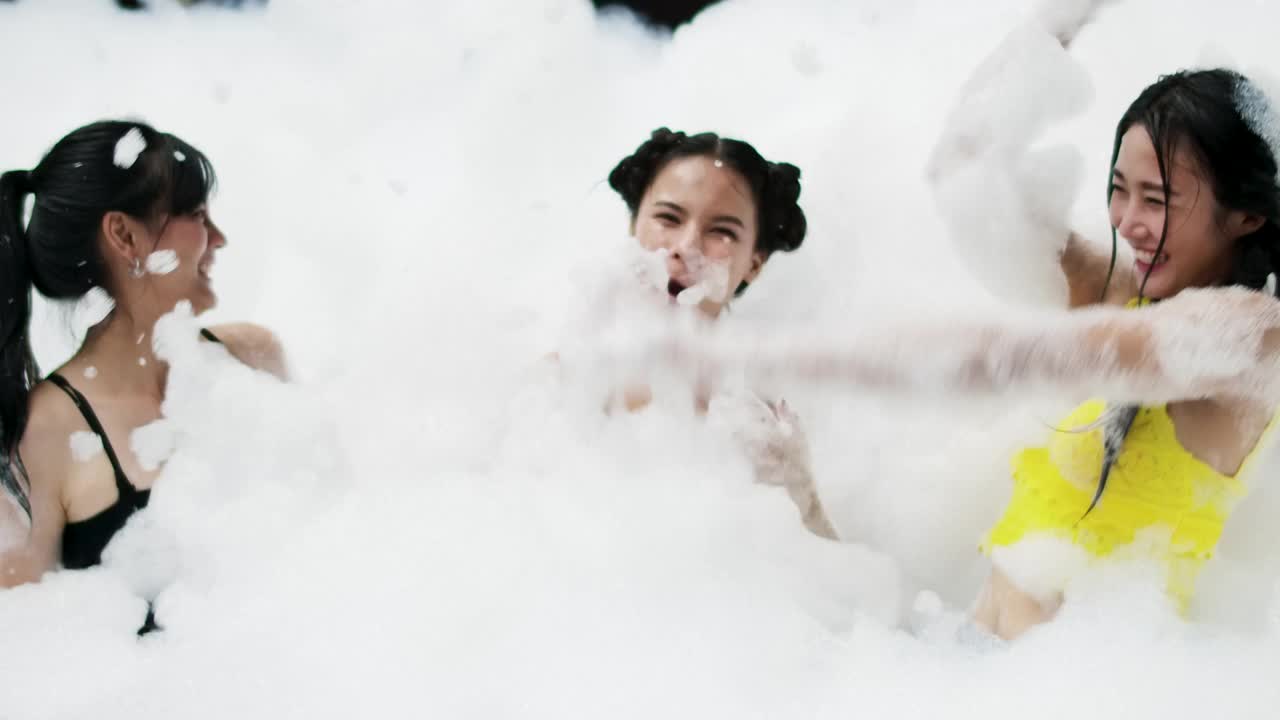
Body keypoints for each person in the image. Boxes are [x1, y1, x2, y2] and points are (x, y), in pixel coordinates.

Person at [677, 55, 1280, 640]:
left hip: (1080, 690)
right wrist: (1052, 32)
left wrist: (779, 354)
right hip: (990, 664)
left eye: (1159, 199)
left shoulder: (1252, 339)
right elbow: (966, 176)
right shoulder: (1133, 293)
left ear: (1247, 216)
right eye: (1119, 189)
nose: (1126, 221)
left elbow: (1006, 355)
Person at [0, 121, 287, 616]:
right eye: (197, 215)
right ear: (124, 235)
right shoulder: (44, 436)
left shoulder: (252, 357)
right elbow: (29, 651)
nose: (218, 239)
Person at [593, 127, 837, 539]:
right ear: (634, 225)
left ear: (753, 264)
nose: (686, 246)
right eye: (668, 218)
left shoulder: (759, 425)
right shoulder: (560, 386)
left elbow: (831, 577)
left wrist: (796, 488)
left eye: (721, 231)